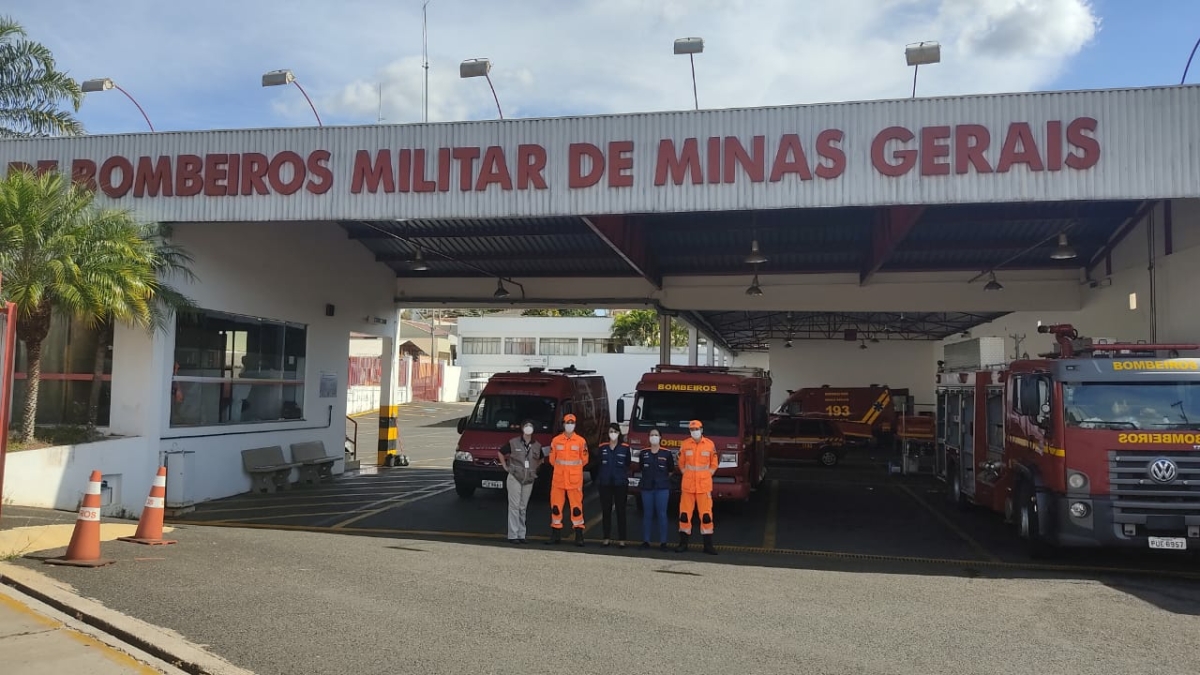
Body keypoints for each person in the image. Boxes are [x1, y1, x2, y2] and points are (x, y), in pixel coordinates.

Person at [546, 413, 589, 546]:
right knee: (555, 508)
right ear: (563, 424)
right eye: (567, 422)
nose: (570, 425)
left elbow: (585, 460)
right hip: (558, 480)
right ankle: (555, 535)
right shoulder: (556, 441)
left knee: (576, 508)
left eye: (572, 423)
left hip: (574, 481)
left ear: (575, 425)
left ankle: (579, 536)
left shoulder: (581, 441)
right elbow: (552, 460)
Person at [498, 419, 543, 544]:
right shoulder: (513, 442)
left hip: (528, 479)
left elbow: (541, 459)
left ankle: (521, 534)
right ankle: (513, 535)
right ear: (522, 428)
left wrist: (534, 468)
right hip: (515, 477)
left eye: (530, 426)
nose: (528, 428)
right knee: (514, 506)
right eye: (526, 426)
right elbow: (501, 453)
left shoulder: (537, 445)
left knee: (523, 507)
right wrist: (505, 466)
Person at [677, 419, 718, 555]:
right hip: (688, 487)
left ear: (701, 430)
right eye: (692, 429)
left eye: (696, 429)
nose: (694, 431)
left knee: (706, 516)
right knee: (684, 515)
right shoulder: (685, 444)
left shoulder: (710, 444)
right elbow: (681, 463)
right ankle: (683, 544)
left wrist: (707, 474)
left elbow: (714, 463)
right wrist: (686, 474)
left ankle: (708, 546)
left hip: (704, 487)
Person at [595, 423, 631, 547]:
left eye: (615, 431)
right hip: (605, 483)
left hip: (620, 483)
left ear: (619, 433)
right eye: (611, 431)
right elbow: (599, 463)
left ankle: (622, 539)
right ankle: (606, 538)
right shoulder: (602, 447)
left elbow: (627, 463)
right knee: (606, 511)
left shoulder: (625, 447)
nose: (613, 434)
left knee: (621, 511)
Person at [638, 429, 675, 551]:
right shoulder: (643, 453)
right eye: (651, 435)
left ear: (660, 437)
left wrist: (661, 479)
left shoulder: (666, 453)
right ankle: (646, 541)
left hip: (662, 488)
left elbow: (671, 470)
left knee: (662, 514)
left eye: (656, 435)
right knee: (647, 514)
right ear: (648, 437)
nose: (654, 437)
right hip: (647, 487)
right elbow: (641, 468)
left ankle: (663, 542)